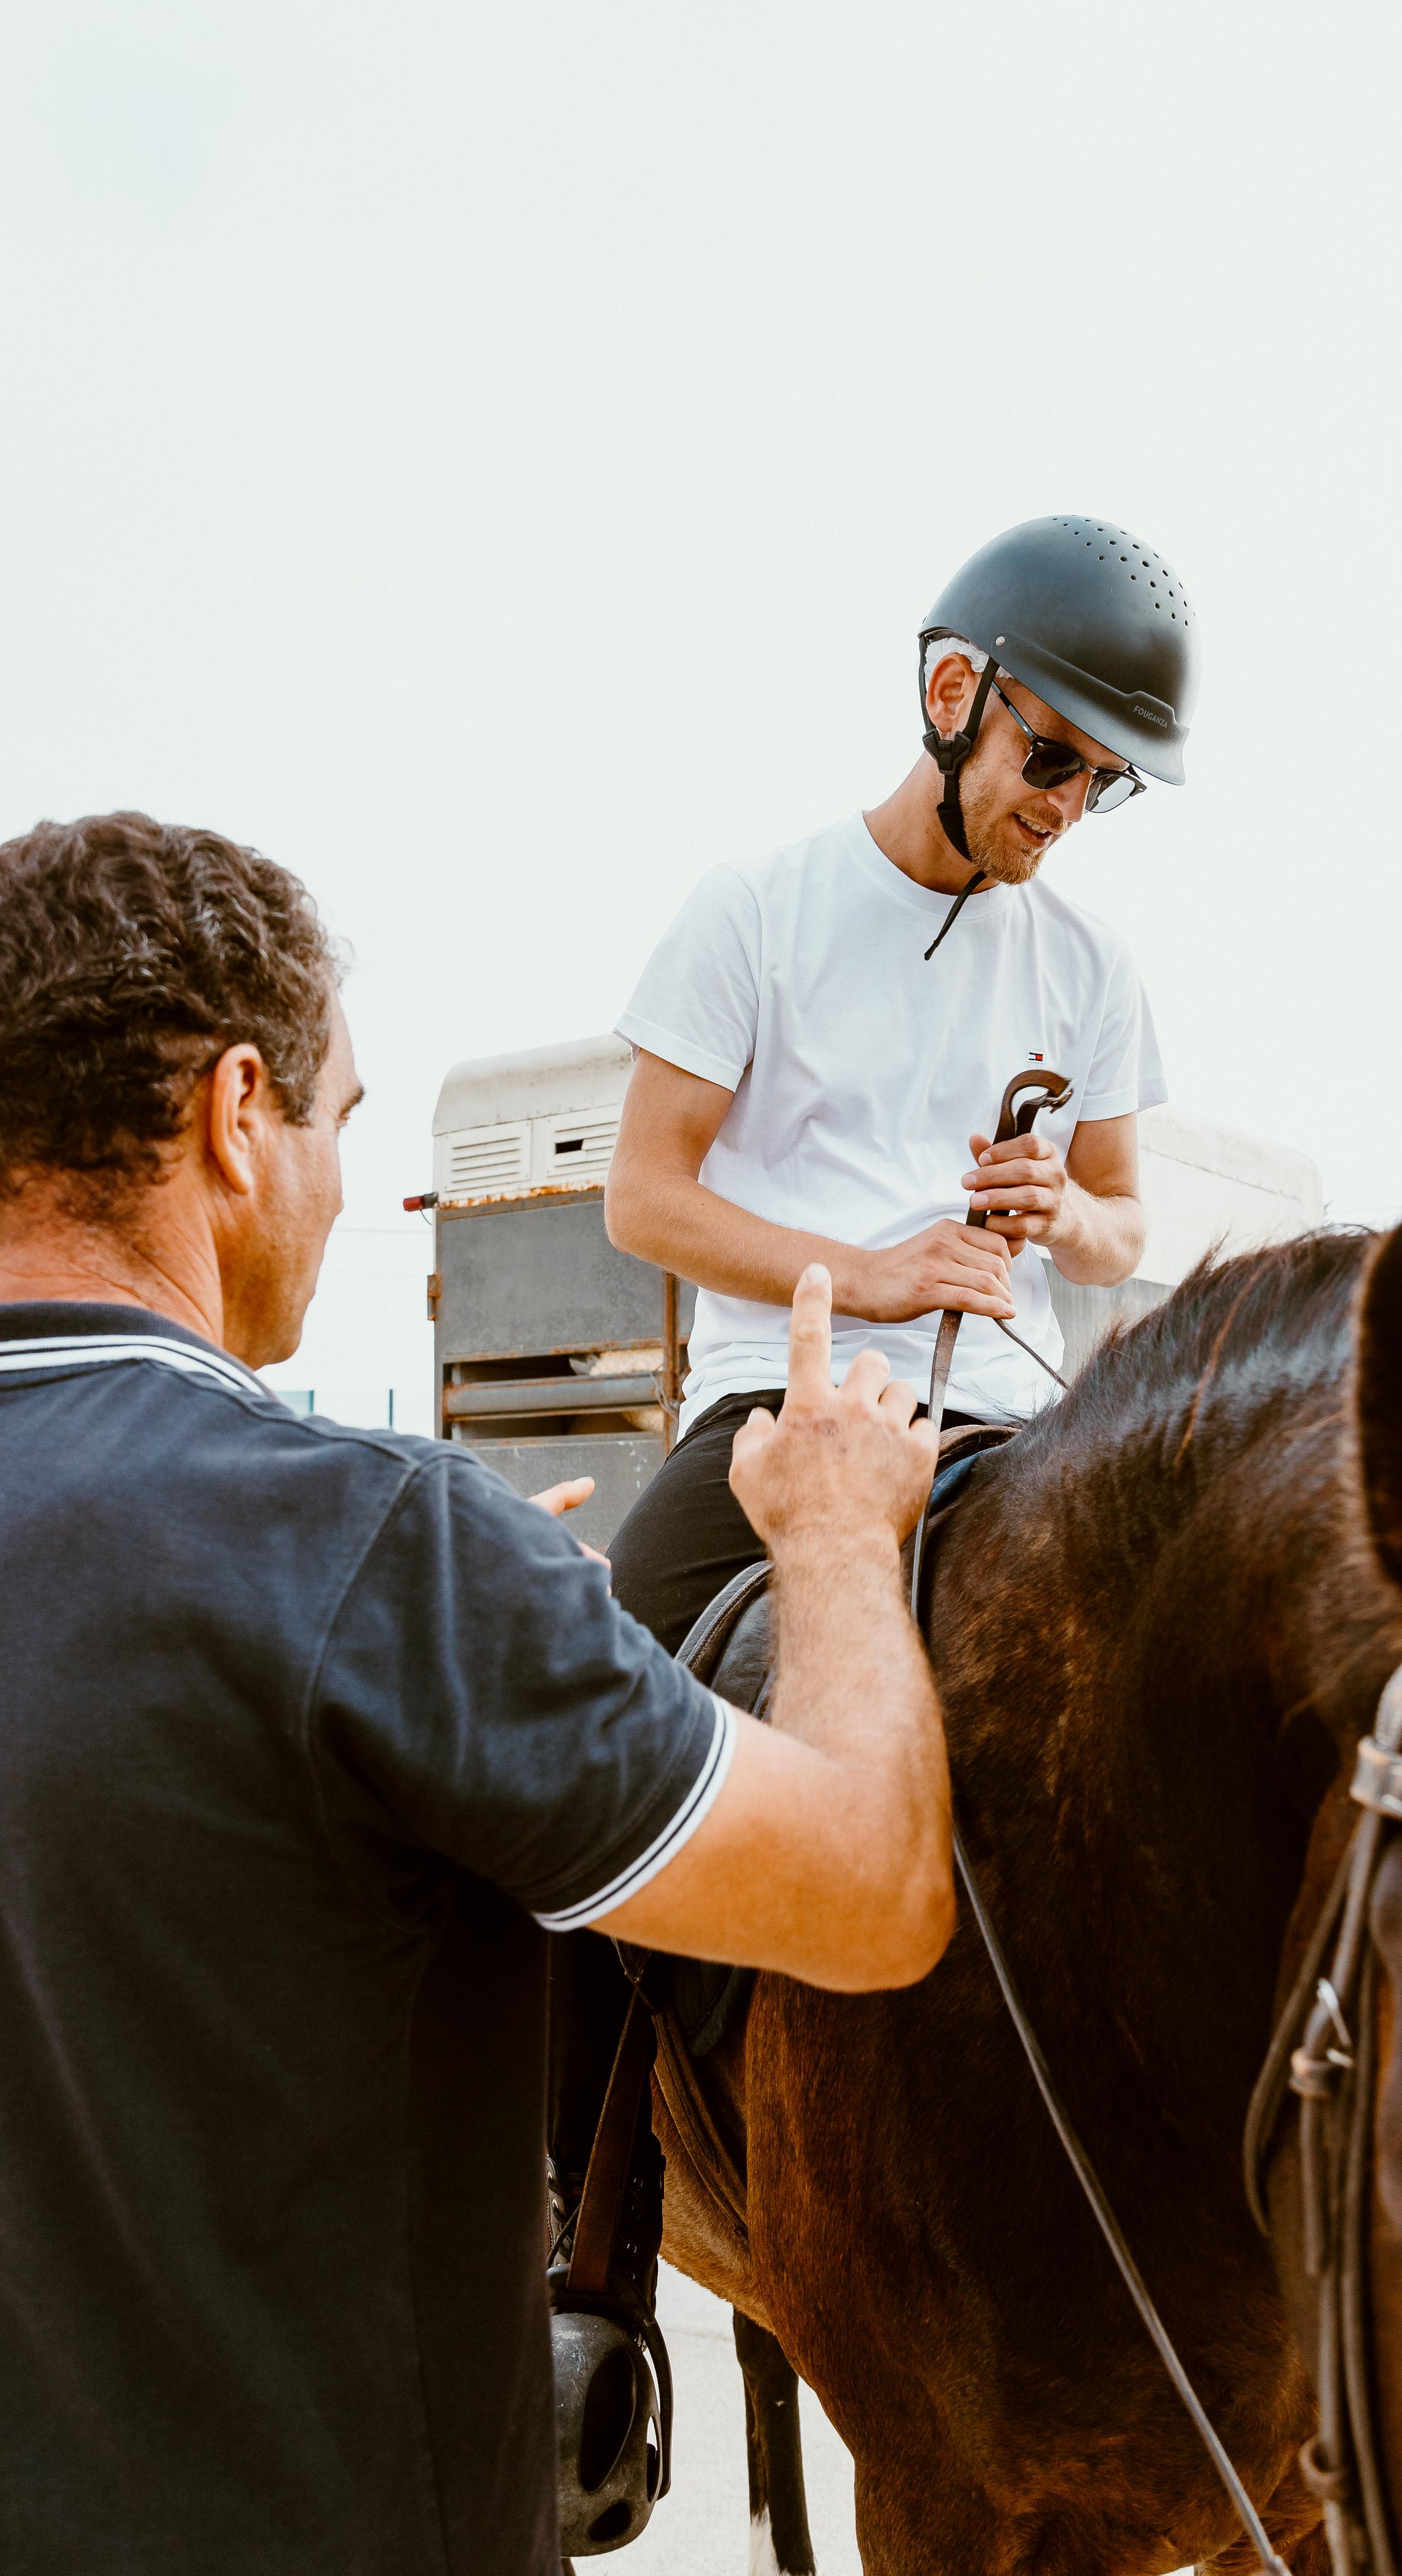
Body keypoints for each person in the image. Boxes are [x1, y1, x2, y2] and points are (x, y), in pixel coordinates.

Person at [0, 811, 952, 2576]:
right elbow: (874, 1888)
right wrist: (833, 1539)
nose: (338, 1190)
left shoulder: (382, 1567)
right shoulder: (377, 1548)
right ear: (233, 1117)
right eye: (338, 1123)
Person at [602, 513, 1199, 1653]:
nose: (1067, 808)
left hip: (1012, 1425)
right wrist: (870, 1278)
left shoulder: (1093, 966)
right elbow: (642, 1201)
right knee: (597, 1684)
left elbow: (1120, 1231)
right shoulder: (753, 912)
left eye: (1105, 783)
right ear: (953, 696)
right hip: (783, 1400)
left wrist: (1065, 1212)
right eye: (1052, 759)